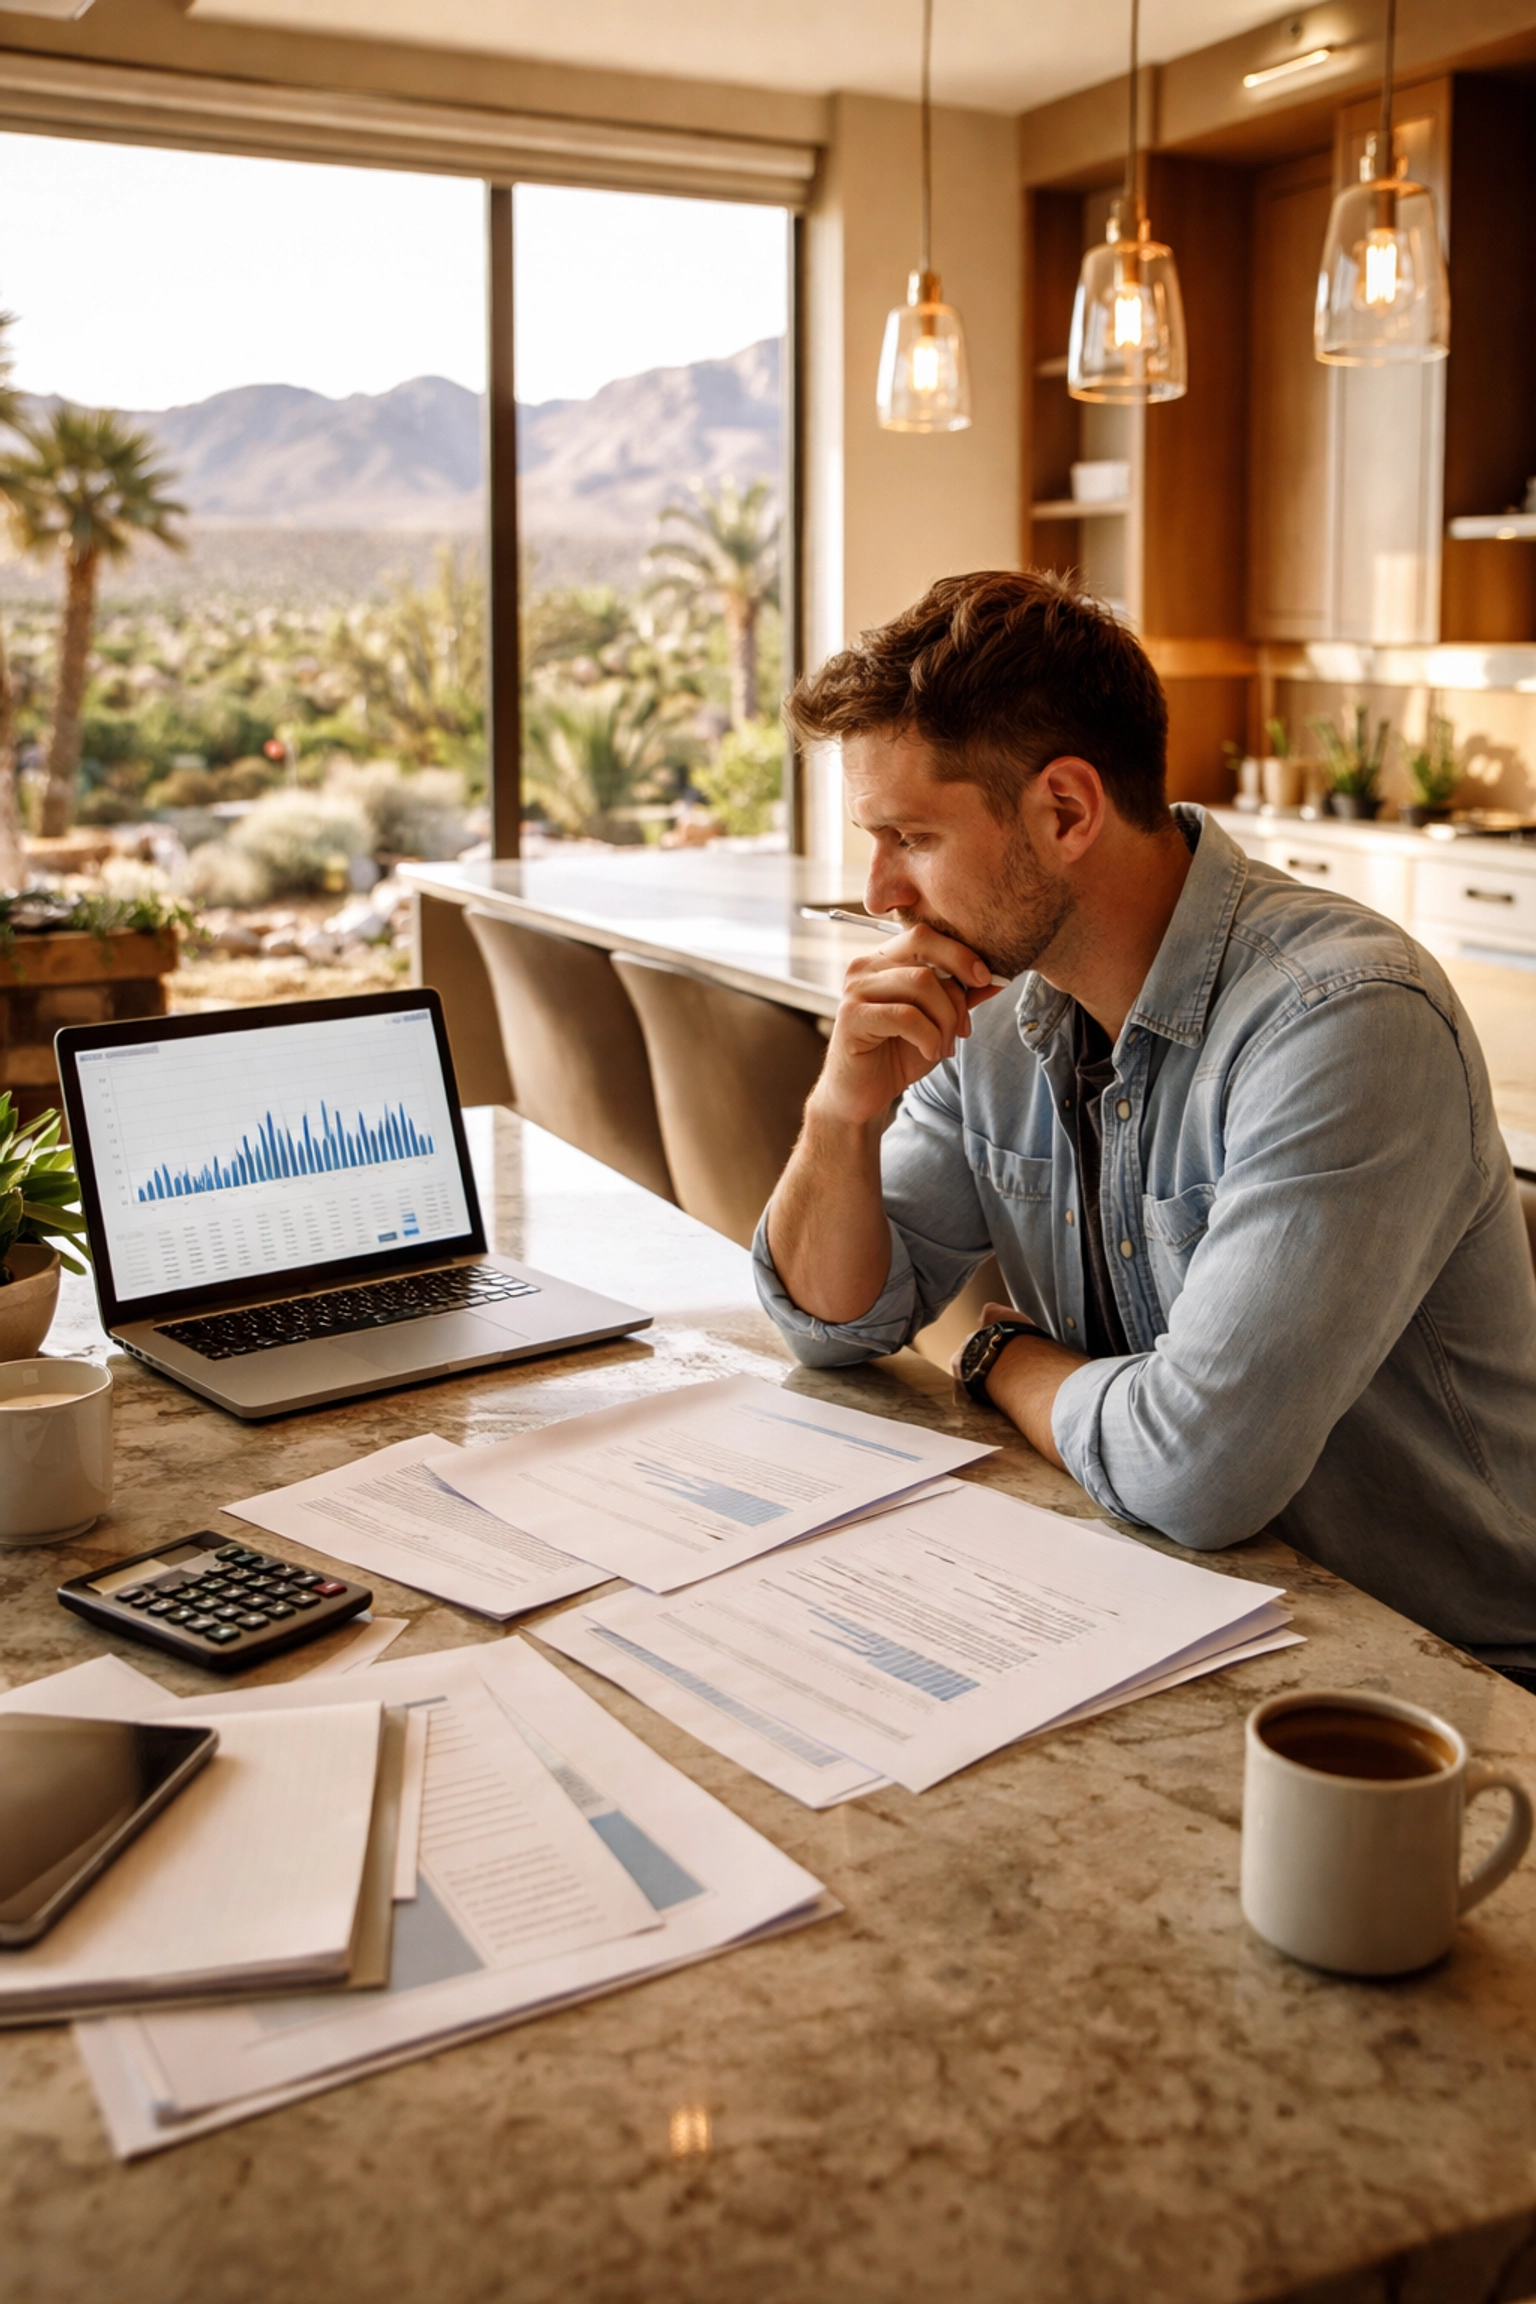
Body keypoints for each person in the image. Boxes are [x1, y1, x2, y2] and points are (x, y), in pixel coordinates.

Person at [756, 569, 1536, 1673]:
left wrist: (1002, 1355)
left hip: (1446, 1677)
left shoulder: (1345, 1022)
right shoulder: (990, 1004)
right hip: (1180, 1606)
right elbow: (832, 1325)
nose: (880, 890)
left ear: (1066, 810)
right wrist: (841, 1113)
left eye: (911, 837)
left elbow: (1194, 1471)